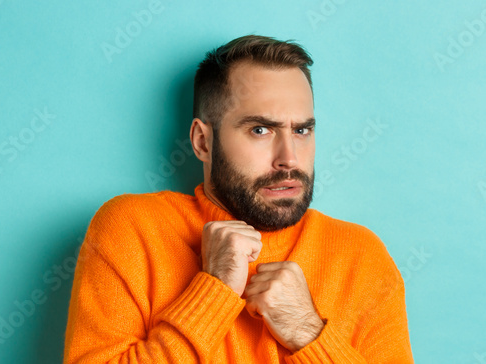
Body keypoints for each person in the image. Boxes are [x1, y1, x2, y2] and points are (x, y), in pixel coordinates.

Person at [63, 34, 413, 363]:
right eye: (260, 130)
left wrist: (308, 333)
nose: (289, 158)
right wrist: (212, 293)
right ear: (202, 142)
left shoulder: (361, 256)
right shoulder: (132, 230)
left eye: (302, 130)